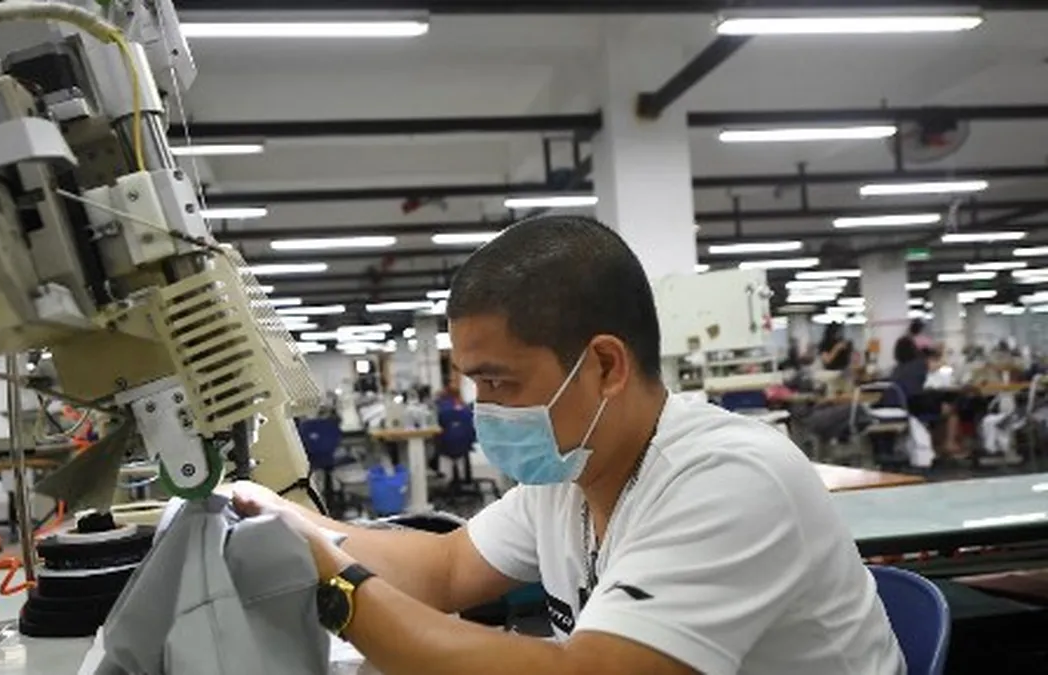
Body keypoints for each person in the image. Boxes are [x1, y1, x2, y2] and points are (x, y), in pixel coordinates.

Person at [232, 215, 904, 675]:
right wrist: (290, 524)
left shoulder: (728, 479)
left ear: (606, 365)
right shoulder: (572, 473)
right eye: (475, 383)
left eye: (501, 381)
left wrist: (341, 590)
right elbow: (446, 568)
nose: (485, 409)